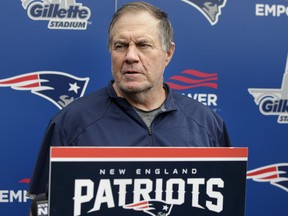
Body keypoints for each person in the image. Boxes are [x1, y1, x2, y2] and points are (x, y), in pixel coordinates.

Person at [28, 1, 231, 200]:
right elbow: (42, 208)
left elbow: (226, 203)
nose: (130, 56)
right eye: (120, 46)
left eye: (143, 45)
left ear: (168, 53)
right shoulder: (70, 123)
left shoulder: (206, 124)